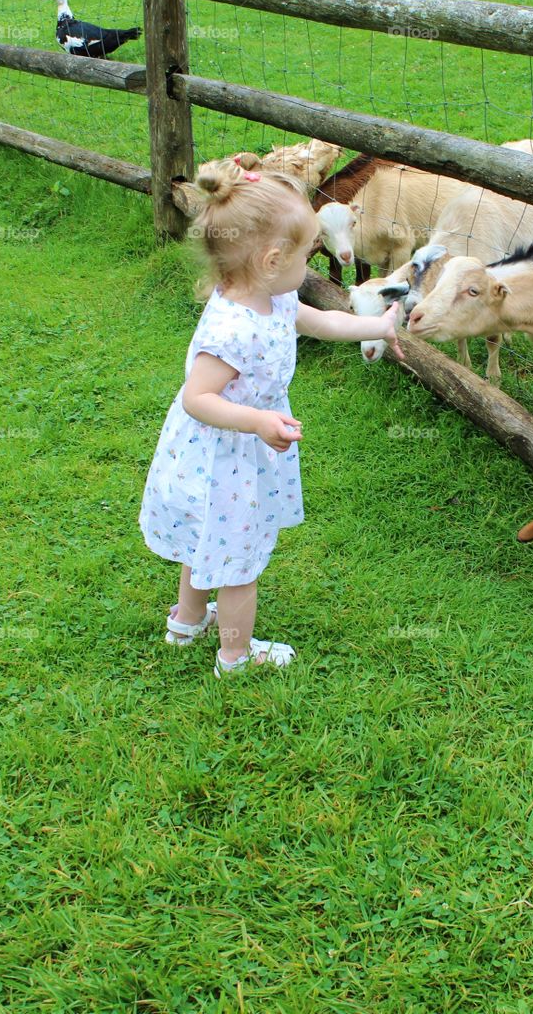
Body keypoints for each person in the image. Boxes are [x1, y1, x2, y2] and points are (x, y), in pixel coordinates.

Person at [139, 159, 404, 676]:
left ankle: (187, 622)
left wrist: (377, 326)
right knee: (239, 560)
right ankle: (236, 656)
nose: (311, 262)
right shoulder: (233, 327)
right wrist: (258, 422)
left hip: (236, 450)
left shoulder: (273, 298)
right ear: (271, 259)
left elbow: (323, 322)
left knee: (207, 537)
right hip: (226, 457)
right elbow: (198, 397)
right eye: (306, 254)